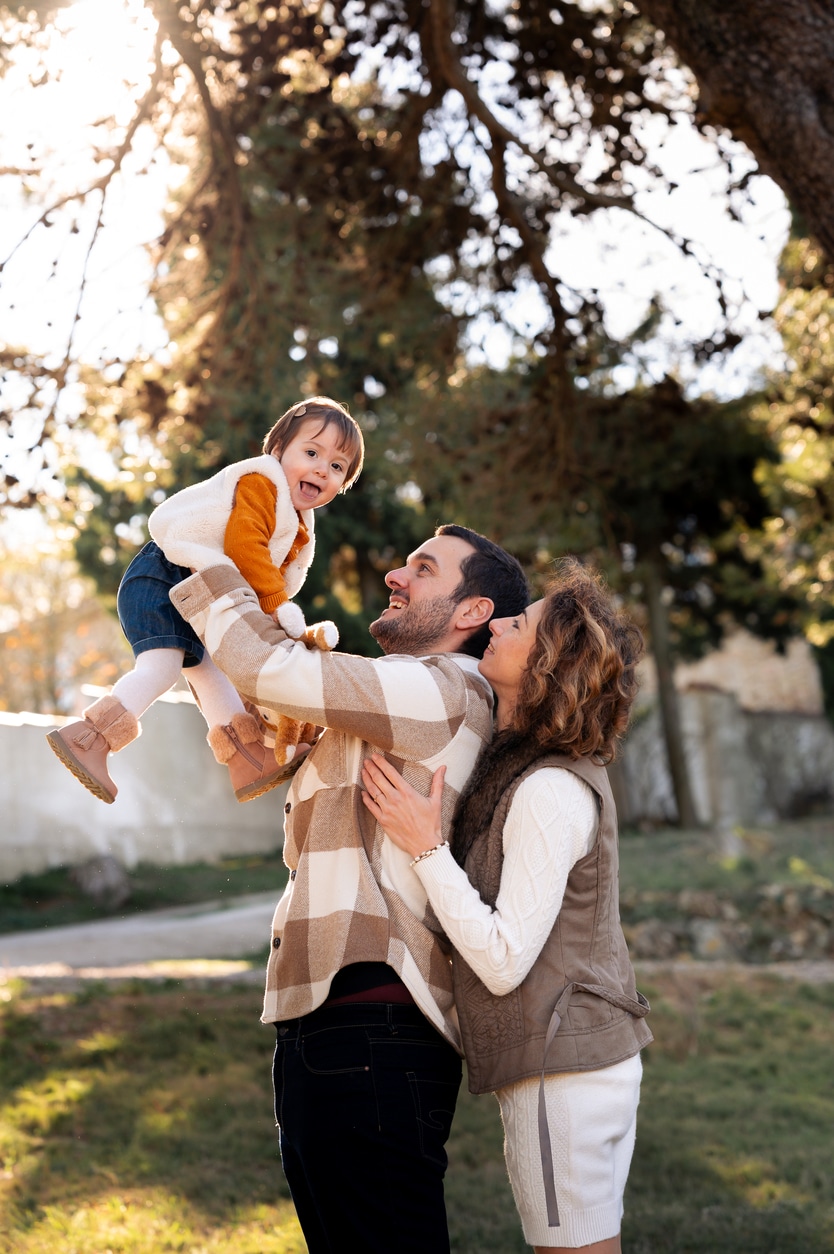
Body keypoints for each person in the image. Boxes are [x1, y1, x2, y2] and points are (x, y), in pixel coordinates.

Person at [166, 523, 530, 1254]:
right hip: (328, 1028)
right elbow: (269, 709)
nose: (396, 575)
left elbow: (269, 669)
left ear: (470, 613)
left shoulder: (444, 689)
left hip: (373, 1033)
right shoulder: (389, 702)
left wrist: (199, 554)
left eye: (423, 570)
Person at [361, 558, 652, 1253]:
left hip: (565, 1076)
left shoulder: (549, 789)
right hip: (580, 1063)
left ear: (547, 663)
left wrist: (424, 847)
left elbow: (503, 960)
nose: (499, 622)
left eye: (519, 624)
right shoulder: (528, 765)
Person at [46, 396, 364, 805]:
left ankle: (246, 757)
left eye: (337, 467)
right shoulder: (260, 483)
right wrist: (278, 609)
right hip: (165, 576)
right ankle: (89, 738)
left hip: (197, 594)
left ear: (341, 485)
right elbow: (244, 546)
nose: (322, 468)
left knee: (210, 672)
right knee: (161, 667)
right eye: (311, 452)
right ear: (279, 450)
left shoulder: (299, 523)